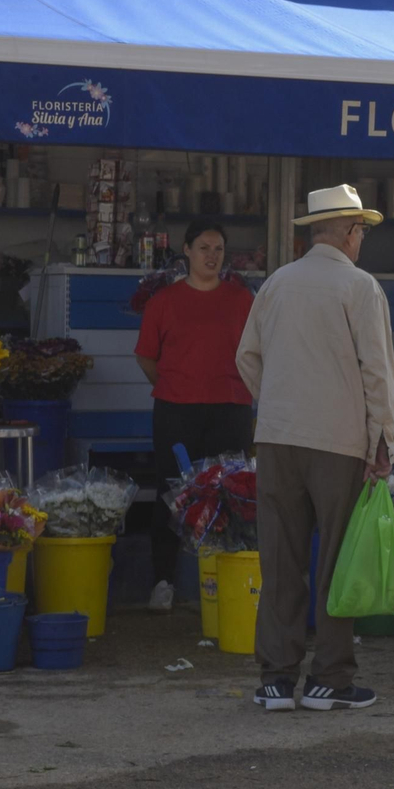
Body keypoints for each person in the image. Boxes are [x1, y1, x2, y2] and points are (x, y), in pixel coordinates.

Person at [236, 184, 394, 712]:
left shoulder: (277, 285)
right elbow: (377, 373)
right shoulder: (360, 287)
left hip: (278, 437)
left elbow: (247, 358)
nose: (362, 241)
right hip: (339, 440)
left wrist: (279, 401)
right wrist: (384, 442)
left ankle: (276, 681)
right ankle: (329, 678)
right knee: (336, 559)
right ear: (350, 232)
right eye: (362, 232)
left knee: (280, 561)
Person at [135, 219, 255, 613]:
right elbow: (146, 356)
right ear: (186, 251)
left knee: (234, 493)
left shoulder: (242, 300)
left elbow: (258, 352)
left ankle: (229, 578)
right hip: (176, 410)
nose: (211, 256)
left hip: (231, 408)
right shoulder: (164, 301)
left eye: (218, 249)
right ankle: (163, 581)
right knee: (172, 493)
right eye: (204, 247)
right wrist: (176, 382)